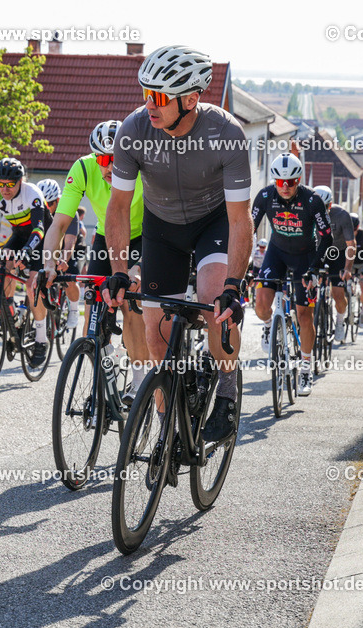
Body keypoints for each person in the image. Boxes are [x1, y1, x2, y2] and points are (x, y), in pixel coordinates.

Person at [105, 44, 252, 441]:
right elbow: (117, 208)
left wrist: (233, 286)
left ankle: (225, 388)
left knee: (212, 301)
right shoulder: (133, 131)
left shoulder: (226, 133)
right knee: (155, 329)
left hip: (214, 223)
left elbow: (241, 219)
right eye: (144, 93)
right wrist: (119, 270)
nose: (148, 105)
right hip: (162, 227)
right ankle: (169, 423)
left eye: (158, 97)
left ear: (190, 98)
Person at [43, 119, 150, 401]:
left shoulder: (144, 169)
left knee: (132, 301)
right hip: (107, 237)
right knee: (93, 309)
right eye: (102, 159)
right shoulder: (82, 168)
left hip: (143, 235)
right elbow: (59, 223)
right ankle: (103, 368)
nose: (109, 167)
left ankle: (139, 382)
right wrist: (48, 264)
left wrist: (137, 267)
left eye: (115, 159)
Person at [252, 154, 332, 395]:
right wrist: (243, 263)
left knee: (304, 315)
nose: (285, 187)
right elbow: (248, 229)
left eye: (291, 182)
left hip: (305, 258)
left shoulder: (312, 200)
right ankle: (269, 325)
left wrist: (315, 268)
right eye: (280, 182)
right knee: (261, 304)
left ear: (299, 180)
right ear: (274, 181)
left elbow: (326, 236)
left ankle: (305, 368)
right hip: (276, 253)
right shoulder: (265, 196)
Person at [0, 157, 50, 367]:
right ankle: (11, 313)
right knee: (1, 264)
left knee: (31, 285)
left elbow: (39, 229)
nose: (5, 189)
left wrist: (27, 251)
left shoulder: (32, 193)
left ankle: (41, 339)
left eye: (10, 184)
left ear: (20, 181)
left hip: (43, 238)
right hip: (18, 235)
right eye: (1, 184)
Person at [37, 177, 82, 333]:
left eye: (49, 204)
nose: (47, 208)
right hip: (52, 243)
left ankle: (74, 309)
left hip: (72, 244)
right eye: (44, 205)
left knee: (69, 277)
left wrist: (64, 259)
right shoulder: (39, 209)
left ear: (57, 200)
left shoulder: (69, 210)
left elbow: (69, 242)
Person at [314, 186, 355, 342]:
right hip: (317, 251)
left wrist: (347, 268)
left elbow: (351, 243)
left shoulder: (342, 215)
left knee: (338, 293)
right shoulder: (308, 211)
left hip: (337, 253)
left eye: (324, 207)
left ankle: (339, 321)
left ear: (330, 204)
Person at [349, 213, 363, 328]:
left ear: (357, 228)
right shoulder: (343, 235)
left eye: (354, 230)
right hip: (349, 263)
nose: (352, 232)